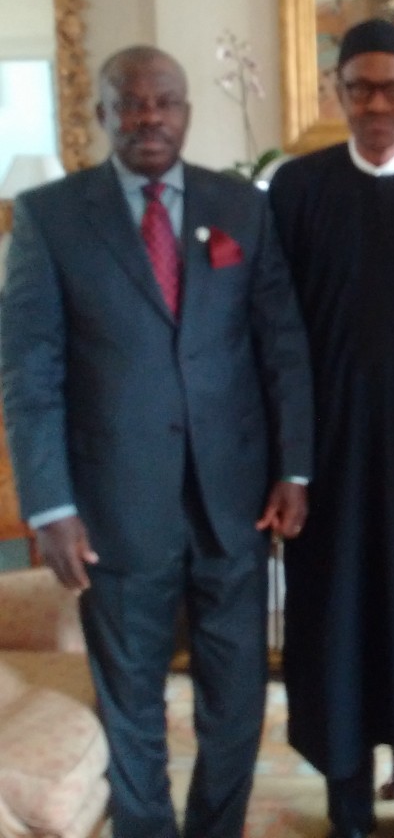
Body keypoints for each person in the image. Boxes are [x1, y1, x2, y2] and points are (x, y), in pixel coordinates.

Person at [0, 45, 314, 838]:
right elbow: (30, 373)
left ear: (185, 111)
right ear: (101, 114)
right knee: (131, 700)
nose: (149, 117)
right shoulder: (49, 217)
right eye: (130, 103)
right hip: (113, 509)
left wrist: (295, 467)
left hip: (234, 502)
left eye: (164, 101)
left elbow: (281, 346)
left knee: (235, 700)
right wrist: (50, 506)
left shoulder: (240, 207)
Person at [268, 19, 394, 838]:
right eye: (361, 88)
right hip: (327, 457)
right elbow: (275, 330)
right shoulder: (298, 189)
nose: (379, 104)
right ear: (338, 94)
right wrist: (288, 460)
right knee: (336, 624)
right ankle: (347, 806)